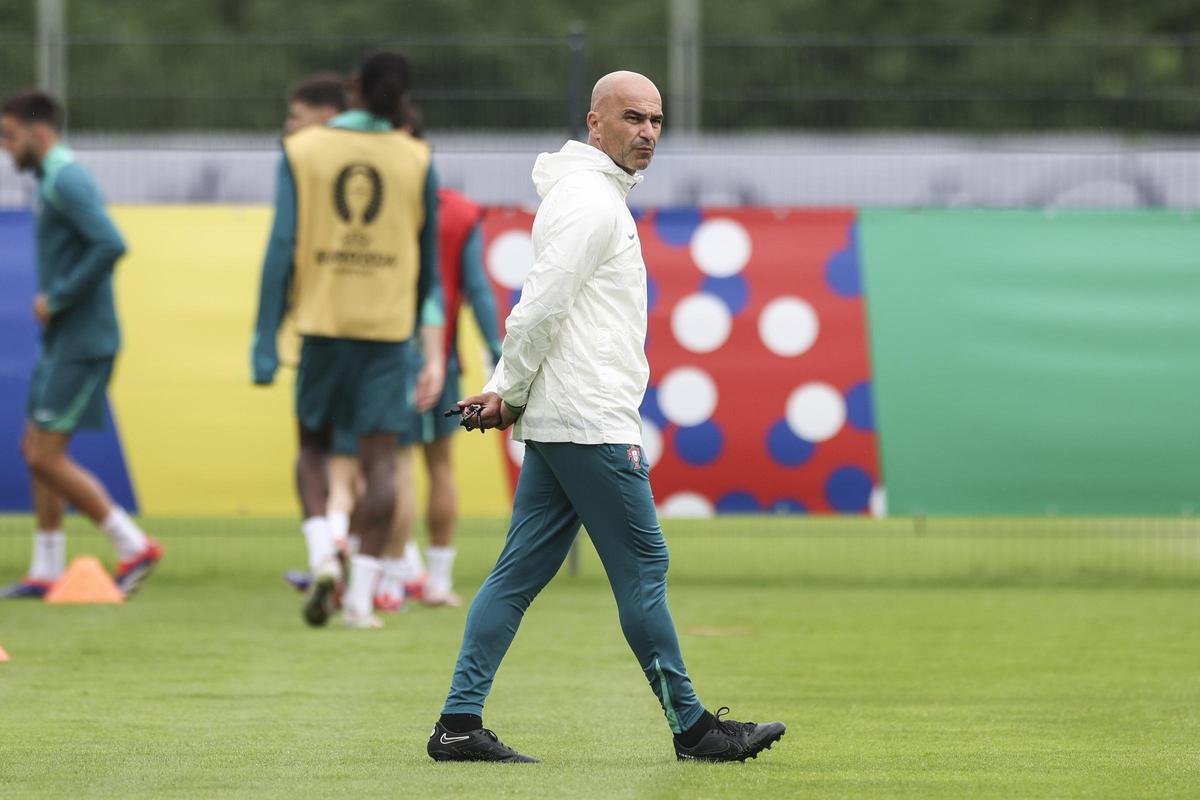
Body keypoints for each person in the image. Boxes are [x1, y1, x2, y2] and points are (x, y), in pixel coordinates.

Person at [425, 72, 786, 764]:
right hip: (589, 422)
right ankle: (695, 729)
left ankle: (459, 726)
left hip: (564, 417)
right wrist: (507, 386)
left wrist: (512, 392)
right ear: (596, 124)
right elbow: (539, 307)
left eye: (656, 120)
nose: (647, 131)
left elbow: (549, 309)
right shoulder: (592, 203)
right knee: (644, 564)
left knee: (516, 575)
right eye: (632, 118)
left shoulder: (586, 196)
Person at [252, 51, 444, 629]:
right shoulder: (416, 157)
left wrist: (265, 337)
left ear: (352, 87)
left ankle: (320, 554)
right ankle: (362, 599)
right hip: (387, 334)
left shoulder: (304, 149)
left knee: (313, 448)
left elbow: (281, 246)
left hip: (322, 325)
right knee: (381, 462)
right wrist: (418, 339)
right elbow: (428, 267)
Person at [0, 91, 162, 599]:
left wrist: (61, 296)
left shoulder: (67, 178)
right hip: (63, 339)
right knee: (35, 449)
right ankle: (46, 569)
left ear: (37, 131)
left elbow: (111, 242)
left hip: (84, 340)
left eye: (8, 136)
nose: (6, 150)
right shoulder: (51, 180)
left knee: (46, 455)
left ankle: (133, 544)